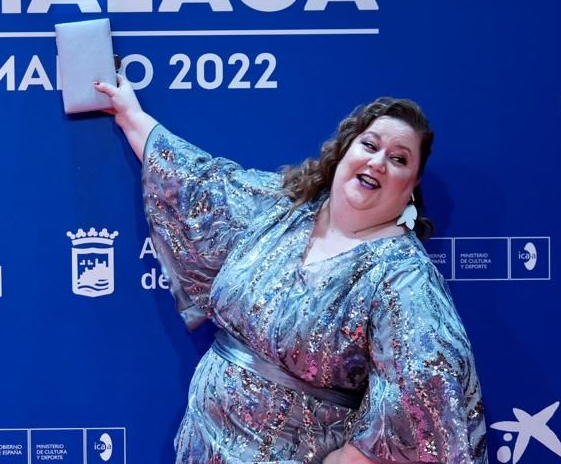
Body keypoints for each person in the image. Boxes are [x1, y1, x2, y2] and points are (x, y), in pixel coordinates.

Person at [94, 76, 488, 464]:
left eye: (398, 159)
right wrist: (131, 115)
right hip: (204, 445)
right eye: (369, 144)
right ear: (345, 150)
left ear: (412, 185)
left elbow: (429, 390)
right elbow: (203, 183)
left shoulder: (403, 275)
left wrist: (353, 459)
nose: (378, 162)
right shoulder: (284, 208)